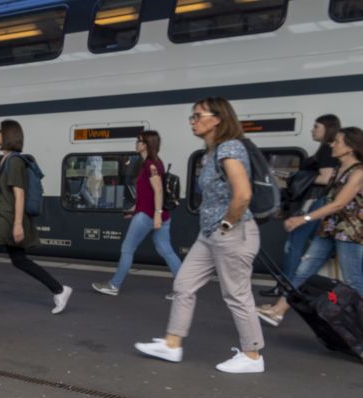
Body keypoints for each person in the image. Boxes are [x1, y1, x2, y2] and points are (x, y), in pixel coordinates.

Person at [136, 97, 265, 374]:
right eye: (192, 117)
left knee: (236, 295)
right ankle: (172, 344)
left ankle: (253, 355)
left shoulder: (229, 148)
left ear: (217, 118)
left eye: (197, 116)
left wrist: (227, 226)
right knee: (184, 284)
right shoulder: (211, 152)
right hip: (210, 235)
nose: (193, 121)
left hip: (233, 232)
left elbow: (243, 195)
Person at [0, 120, 72, 317]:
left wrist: (18, 224)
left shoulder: (14, 161)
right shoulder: (6, 160)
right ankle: (59, 290)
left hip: (9, 217)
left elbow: (19, 193)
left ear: (7, 135)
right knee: (19, 259)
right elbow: (1, 195)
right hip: (3, 217)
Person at [257, 127, 363, 325]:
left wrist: (303, 219)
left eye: (337, 141)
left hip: (350, 233)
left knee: (354, 281)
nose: (332, 144)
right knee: (303, 270)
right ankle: (278, 311)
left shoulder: (359, 173)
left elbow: (338, 203)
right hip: (330, 229)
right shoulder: (338, 171)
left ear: (350, 147)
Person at [259, 114, 342, 297]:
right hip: (316, 202)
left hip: (314, 202)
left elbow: (326, 178)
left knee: (294, 244)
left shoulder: (328, 150)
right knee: (311, 247)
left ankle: (286, 287)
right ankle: (294, 287)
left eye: (316, 126)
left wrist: (296, 177)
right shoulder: (325, 150)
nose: (312, 130)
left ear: (327, 128)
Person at [92, 130, 182, 297]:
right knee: (166, 250)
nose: (137, 143)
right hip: (156, 215)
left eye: (140, 141)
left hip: (149, 216)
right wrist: (134, 210)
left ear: (147, 144)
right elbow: (146, 194)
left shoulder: (151, 164)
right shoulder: (150, 163)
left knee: (127, 249)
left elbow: (158, 190)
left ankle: (114, 285)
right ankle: (183, 290)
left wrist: (156, 213)